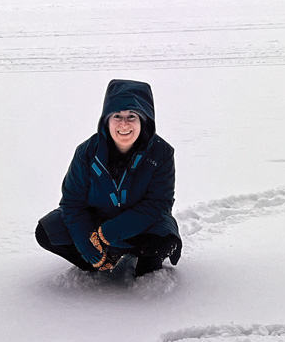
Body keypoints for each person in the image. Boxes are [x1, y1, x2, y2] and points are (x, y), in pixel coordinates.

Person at [36, 79, 182, 277]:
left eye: (132, 116)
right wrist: (86, 247)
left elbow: (159, 203)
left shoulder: (161, 153)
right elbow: (72, 203)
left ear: (144, 120)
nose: (124, 123)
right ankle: (99, 260)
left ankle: (144, 264)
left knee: (163, 241)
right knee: (47, 231)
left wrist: (112, 231)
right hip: (95, 224)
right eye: (117, 115)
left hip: (142, 225)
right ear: (106, 119)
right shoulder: (86, 153)